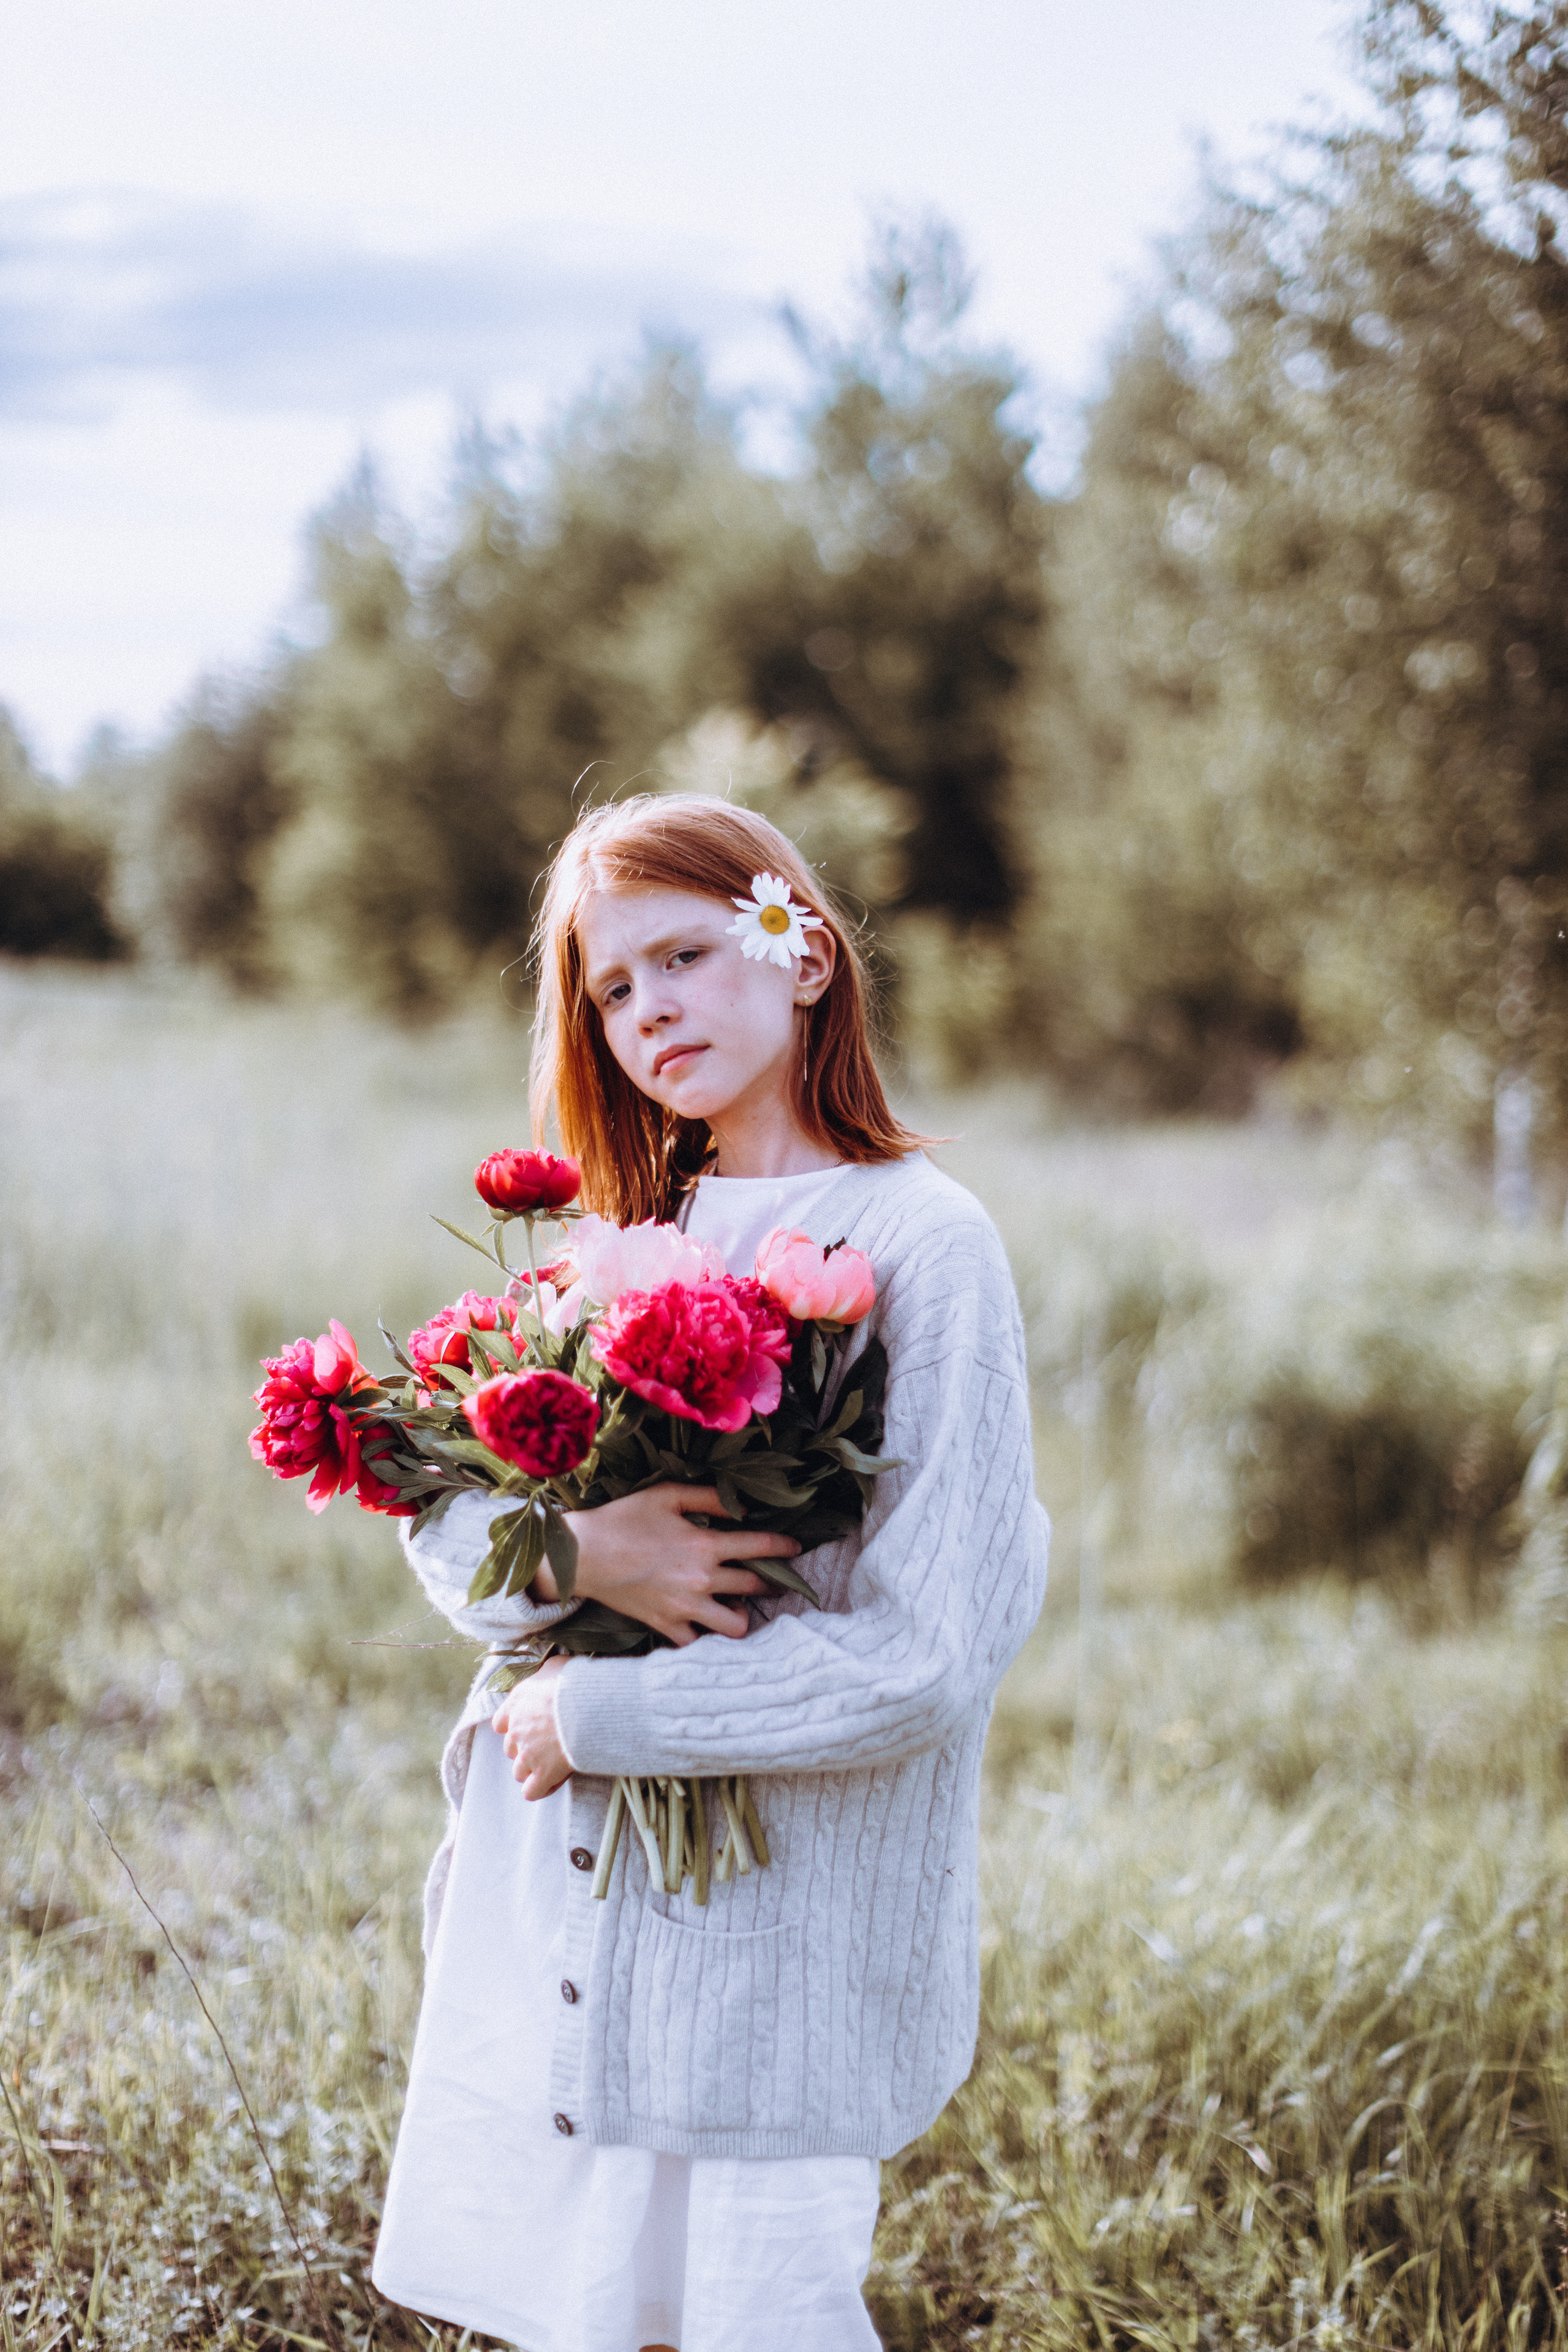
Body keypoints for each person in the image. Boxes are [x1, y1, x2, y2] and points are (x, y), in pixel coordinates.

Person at [371, 795, 1049, 2352]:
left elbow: (928, 1649)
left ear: (800, 955)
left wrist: (601, 1722)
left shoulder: (921, 1244)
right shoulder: (606, 1245)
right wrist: (581, 1547)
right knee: (588, 2310)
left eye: (685, 954)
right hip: (564, 1893)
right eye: (611, 987)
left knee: (756, 2310)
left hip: (772, 1940)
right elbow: (443, 1519)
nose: (649, 1005)